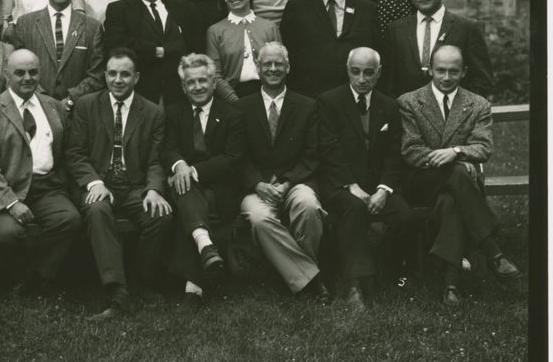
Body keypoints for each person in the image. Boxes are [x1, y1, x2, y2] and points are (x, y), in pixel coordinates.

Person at [398, 45, 521, 307]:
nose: (446, 77)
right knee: (456, 175)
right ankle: (492, 251)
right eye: (440, 70)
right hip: (422, 180)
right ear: (430, 69)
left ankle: (451, 287)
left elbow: (484, 147)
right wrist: (445, 159)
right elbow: (411, 150)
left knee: (452, 199)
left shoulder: (477, 104)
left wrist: (455, 151)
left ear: (464, 72)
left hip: (457, 184)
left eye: (453, 71)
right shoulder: (409, 102)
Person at [66, 49, 173, 319]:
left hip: (134, 186)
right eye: (112, 73)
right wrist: (93, 183)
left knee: (160, 214)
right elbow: (75, 153)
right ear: (104, 76)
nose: (118, 80)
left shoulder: (152, 112)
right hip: (99, 184)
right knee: (98, 210)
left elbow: (154, 161)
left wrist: (153, 189)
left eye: (125, 74)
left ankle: (140, 280)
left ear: (136, 78)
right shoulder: (86, 105)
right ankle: (117, 291)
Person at [0, 49, 82, 294]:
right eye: (19, 73)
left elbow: (68, 153)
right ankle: (12, 277)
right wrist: (11, 203)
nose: (27, 78)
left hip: (47, 188)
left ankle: (36, 277)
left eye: (33, 72)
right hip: (5, 190)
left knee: (69, 219)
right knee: (9, 234)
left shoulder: (54, 107)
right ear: (6, 75)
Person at [317, 47, 416, 311]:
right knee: (354, 208)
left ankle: (387, 270)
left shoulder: (389, 106)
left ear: (379, 73)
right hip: (340, 184)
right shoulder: (329, 102)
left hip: (378, 186)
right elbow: (329, 149)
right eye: (356, 71)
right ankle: (354, 285)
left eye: (368, 73)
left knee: (404, 216)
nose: (361, 79)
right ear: (347, 70)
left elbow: (395, 154)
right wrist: (352, 186)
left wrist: (383, 190)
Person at [237, 42, 330, 303]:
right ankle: (314, 280)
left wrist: (287, 183)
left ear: (288, 67)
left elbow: (312, 154)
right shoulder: (242, 107)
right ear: (258, 67)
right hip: (256, 186)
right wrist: (257, 184)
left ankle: (295, 275)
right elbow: (238, 157)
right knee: (258, 217)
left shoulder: (307, 105)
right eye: (267, 64)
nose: (273, 68)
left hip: (295, 181)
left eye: (279, 63)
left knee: (308, 206)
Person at [162, 54, 245, 310]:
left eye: (202, 81)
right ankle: (201, 263)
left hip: (219, 188)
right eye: (191, 82)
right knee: (186, 190)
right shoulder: (174, 112)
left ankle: (195, 272)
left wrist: (191, 170)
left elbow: (232, 158)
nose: (197, 87)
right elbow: (168, 149)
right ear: (183, 86)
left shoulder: (232, 114)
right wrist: (180, 165)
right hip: (185, 185)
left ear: (213, 82)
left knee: (187, 190)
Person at [103, 0, 204, 106]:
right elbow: (116, 47)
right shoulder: (118, 10)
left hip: (180, 94)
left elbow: (196, 48)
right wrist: (157, 51)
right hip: (139, 93)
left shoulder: (185, 8)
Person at [382, 0, 494, 99]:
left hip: (453, 115)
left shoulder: (466, 28)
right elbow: (388, 81)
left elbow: (482, 80)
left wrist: (461, 113)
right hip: (407, 115)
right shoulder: (396, 30)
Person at [5, 0, 104, 110]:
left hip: (78, 111)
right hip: (35, 107)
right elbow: (16, 68)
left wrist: (71, 99)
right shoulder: (25, 24)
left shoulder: (92, 27)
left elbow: (97, 74)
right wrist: (43, 99)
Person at [280, 0, 378, 97]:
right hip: (311, 97)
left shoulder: (367, 9)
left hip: (354, 96)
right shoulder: (297, 8)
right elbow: (289, 55)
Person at [205, 0, 280, 100]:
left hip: (267, 96)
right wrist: (234, 101)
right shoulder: (215, 31)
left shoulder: (270, 28)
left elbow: (280, 66)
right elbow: (214, 75)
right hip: (232, 99)